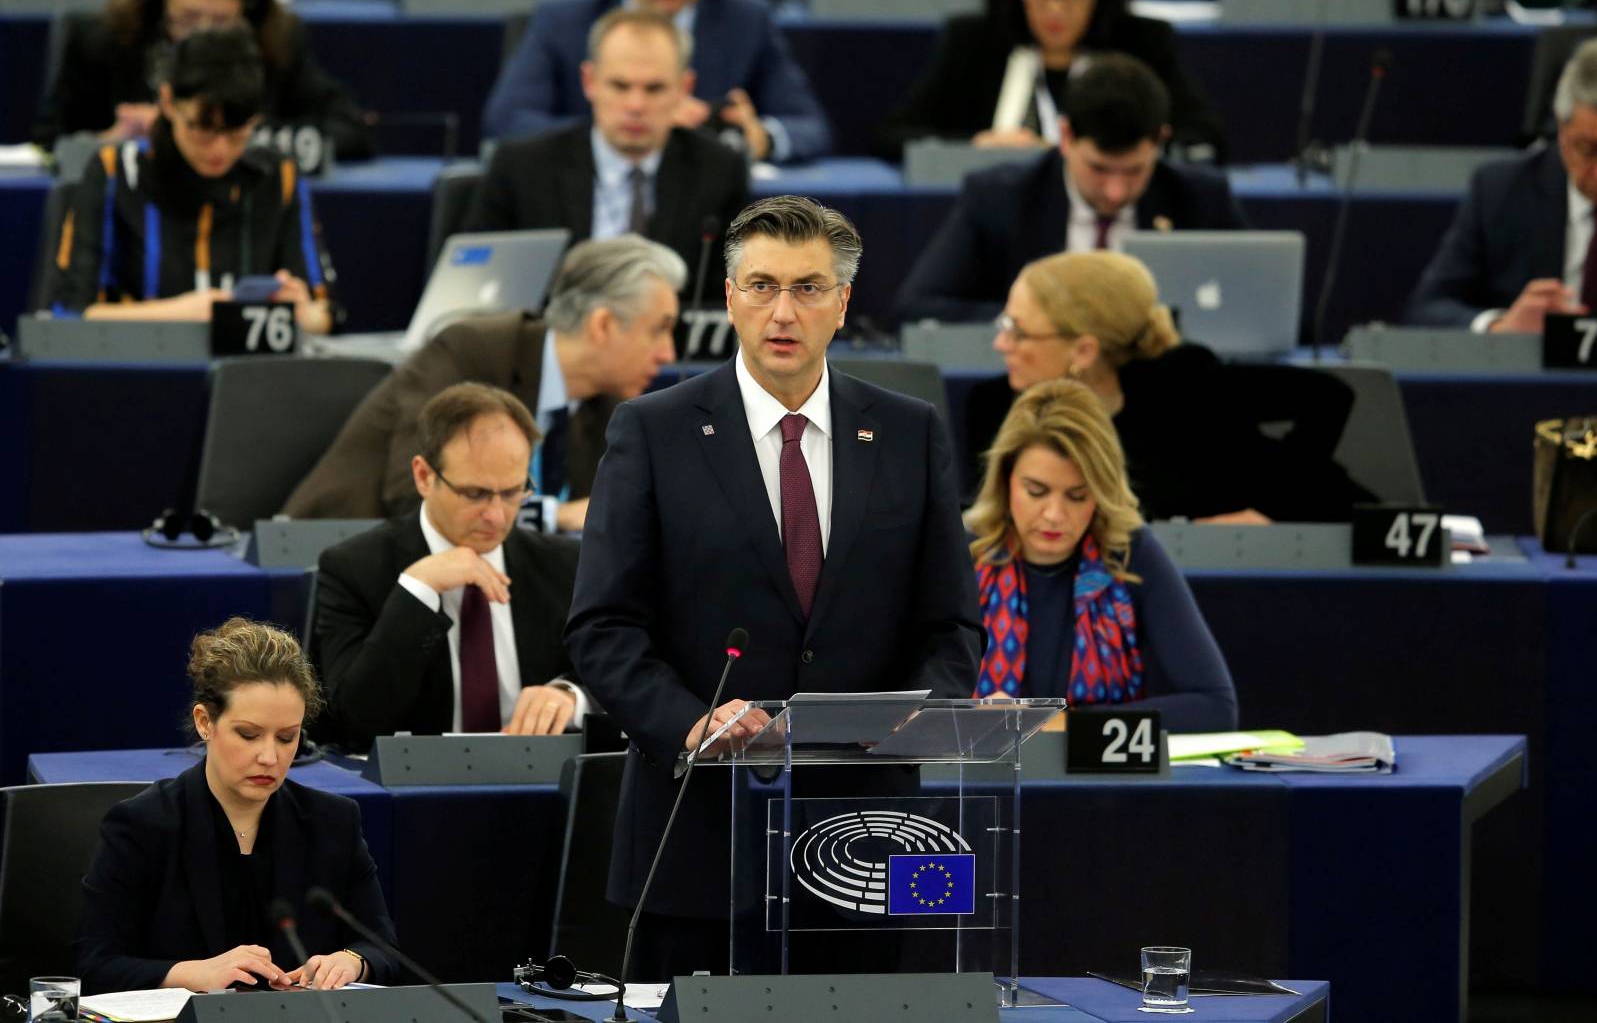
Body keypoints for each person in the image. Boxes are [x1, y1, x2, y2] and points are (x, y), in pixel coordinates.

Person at [565, 195, 982, 979]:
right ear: (729, 299)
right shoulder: (653, 431)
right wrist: (691, 726)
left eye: (808, 287)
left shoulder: (908, 431)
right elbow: (603, 627)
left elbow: (952, 625)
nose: (782, 310)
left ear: (843, 302)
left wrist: (910, 716)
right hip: (698, 844)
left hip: (869, 833)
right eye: (761, 286)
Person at [77, 619, 398, 994]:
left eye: (286, 737)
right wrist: (189, 974)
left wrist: (352, 962)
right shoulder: (141, 825)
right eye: (248, 734)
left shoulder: (333, 821)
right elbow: (95, 966)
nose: (269, 756)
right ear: (204, 722)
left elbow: (382, 949)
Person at [282, 235, 683, 530]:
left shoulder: (608, 404)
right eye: (659, 330)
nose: (668, 355)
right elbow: (415, 494)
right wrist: (555, 516)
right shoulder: (473, 350)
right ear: (603, 325)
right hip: (339, 551)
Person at [964, 251, 1371, 521]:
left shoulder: (1185, 385)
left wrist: (1268, 508)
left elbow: (1329, 397)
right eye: (1004, 325)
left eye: (1018, 331)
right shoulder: (992, 407)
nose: (1001, 343)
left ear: (1083, 351)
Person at [314, 384, 591, 750]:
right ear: (424, 476)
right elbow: (351, 723)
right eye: (475, 494)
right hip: (417, 792)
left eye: (512, 493)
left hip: (538, 783)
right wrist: (417, 592)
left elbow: (621, 677)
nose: (496, 515)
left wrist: (570, 695)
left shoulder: (564, 565)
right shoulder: (354, 570)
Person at [967, 379, 1237, 732]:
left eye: (1077, 496)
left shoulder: (1130, 553)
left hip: (1099, 782)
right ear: (1005, 481)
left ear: (1101, 495)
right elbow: (901, 700)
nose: (1054, 514)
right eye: (1036, 491)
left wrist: (1064, 726)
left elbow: (1216, 707)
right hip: (981, 780)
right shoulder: (965, 553)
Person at [895, 52, 1245, 323]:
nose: (1115, 192)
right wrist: (1040, 324)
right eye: (1099, 169)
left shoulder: (1200, 198)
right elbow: (918, 305)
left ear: (1160, 142)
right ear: (1065, 137)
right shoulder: (1000, 197)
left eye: (1134, 171)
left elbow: (1266, 305)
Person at [49, 24, 334, 334]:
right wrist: (185, 314)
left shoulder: (281, 177)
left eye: (238, 133)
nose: (220, 150)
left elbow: (327, 313)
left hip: (247, 377)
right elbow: (70, 315)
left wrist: (305, 314)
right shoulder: (114, 172)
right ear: (168, 103)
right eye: (202, 129)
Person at [467, 7, 749, 305]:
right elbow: (475, 289)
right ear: (589, 81)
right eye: (620, 86)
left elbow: (727, 296)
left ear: (684, 88)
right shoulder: (521, 167)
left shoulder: (718, 170)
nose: (636, 105)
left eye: (654, 88)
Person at [484, 0, 829, 162]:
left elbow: (809, 126)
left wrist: (759, 138)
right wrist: (612, 131)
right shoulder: (562, 21)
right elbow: (509, 121)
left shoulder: (748, 20)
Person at [881, 0, 1222, 161]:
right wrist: (975, 146)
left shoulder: (1142, 44)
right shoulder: (974, 43)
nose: (1055, 9)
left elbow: (1205, 138)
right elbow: (894, 136)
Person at [33, 0, 373, 162]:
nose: (204, 35)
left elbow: (350, 132)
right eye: (188, 20)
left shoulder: (276, 42)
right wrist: (110, 140)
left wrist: (232, 132)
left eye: (223, 23)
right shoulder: (101, 40)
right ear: (159, 0)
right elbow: (46, 144)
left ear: (249, 13)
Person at [1405, 38, 1597, 333]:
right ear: (1561, 131)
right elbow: (1427, 309)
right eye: (1589, 149)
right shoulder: (1501, 191)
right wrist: (1500, 327)